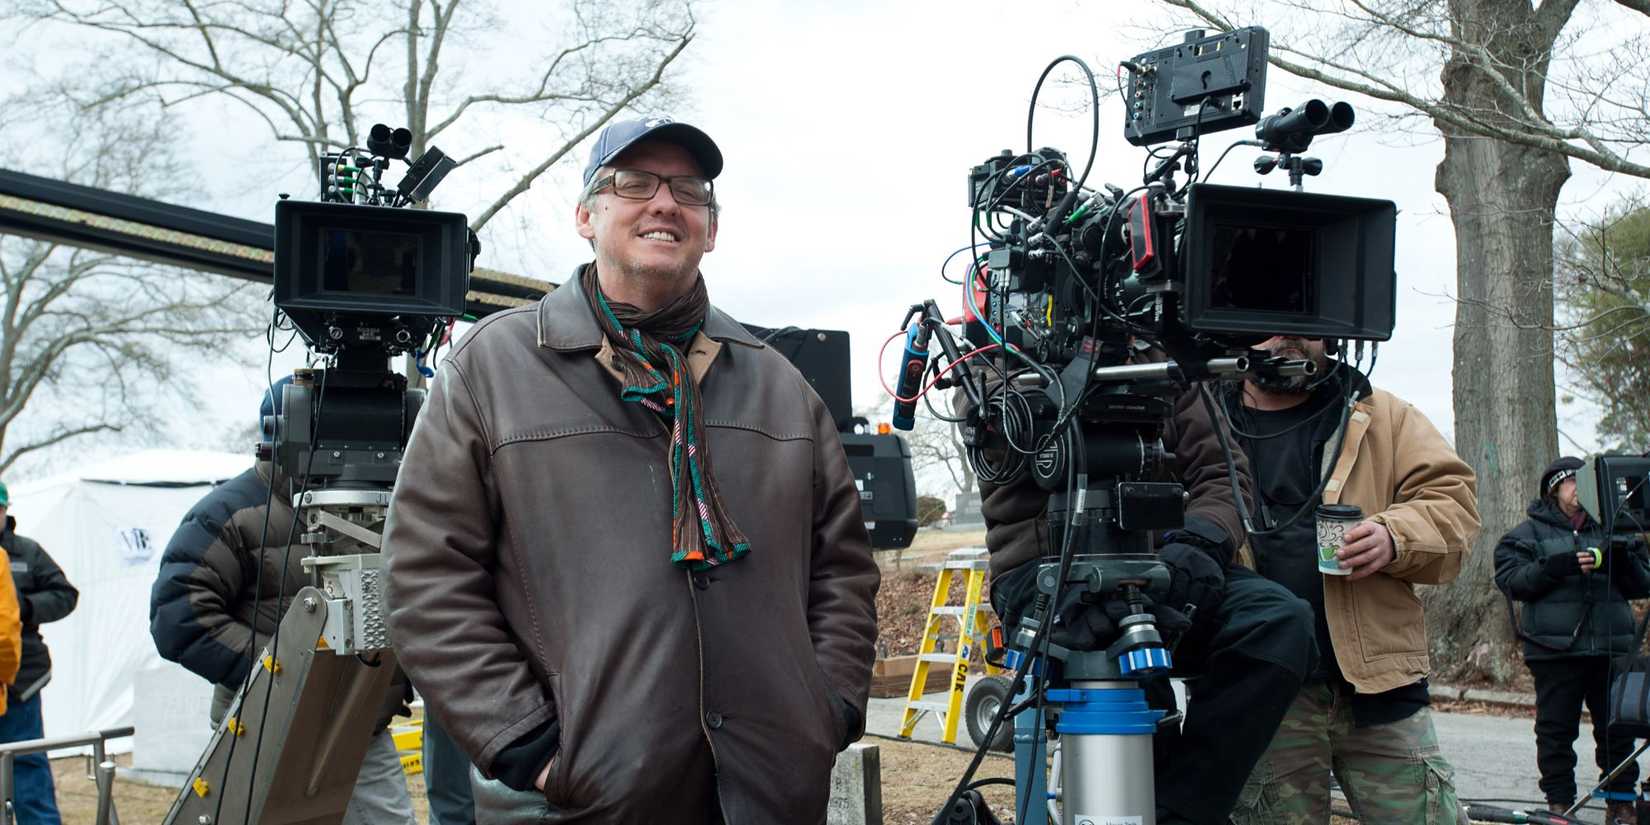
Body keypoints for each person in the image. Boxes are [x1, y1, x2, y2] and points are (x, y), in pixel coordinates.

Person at [381, 116, 880, 824]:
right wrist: (530, 743)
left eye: (689, 190)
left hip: (768, 794)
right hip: (575, 802)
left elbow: (843, 571)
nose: (665, 203)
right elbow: (427, 577)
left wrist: (825, 709)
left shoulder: (780, 387)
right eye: (635, 184)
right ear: (586, 215)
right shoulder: (491, 372)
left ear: (712, 226)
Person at [980, 377, 1318, 825]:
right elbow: (996, 432)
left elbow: (1222, 472)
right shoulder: (996, 365)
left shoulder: (1160, 359)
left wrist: (1201, 542)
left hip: (1160, 562)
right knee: (1120, 660)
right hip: (1040, 568)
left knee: (1278, 622)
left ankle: (1179, 810)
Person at [1222, 336, 1480, 825]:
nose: (1286, 336)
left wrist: (1394, 535)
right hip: (1262, 690)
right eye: (1268, 321)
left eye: (1305, 321)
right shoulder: (1204, 421)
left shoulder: (1382, 415)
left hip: (1380, 686)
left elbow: (1455, 504)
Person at [149, 381, 415, 825]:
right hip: (261, 733)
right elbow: (179, 618)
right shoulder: (227, 513)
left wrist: (393, 680)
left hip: (359, 730)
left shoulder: (382, 506)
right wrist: (287, 675)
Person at [1495, 456, 1650, 823]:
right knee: (1555, 730)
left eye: (1586, 483)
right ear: (1554, 489)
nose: (1580, 491)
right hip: (1554, 651)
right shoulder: (1526, 534)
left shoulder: (1617, 526)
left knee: (1617, 729)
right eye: (1572, 483)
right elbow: (1511, 580)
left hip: (1611, 648)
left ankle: (1621, 802)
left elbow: (1643, 582)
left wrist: (1622, 558)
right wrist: (1558, 565)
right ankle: (1560, 805)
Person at [0, 479, 77, 825]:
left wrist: (26, 608)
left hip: (22, 678)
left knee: (27, 766)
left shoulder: (27, 553)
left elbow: (65, 594)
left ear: (6, 511)